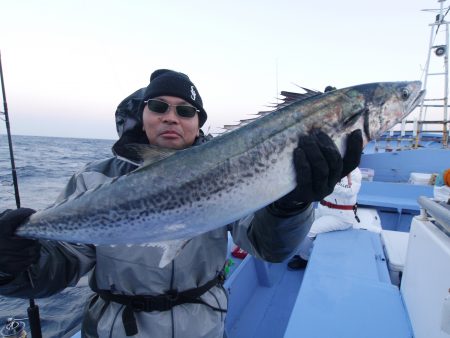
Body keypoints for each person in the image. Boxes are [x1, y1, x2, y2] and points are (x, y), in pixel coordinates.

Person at [0, 69, 363, 338]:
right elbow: (60, 265)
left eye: (186, 111)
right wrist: (13, 265)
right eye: (159, 106)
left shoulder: (232, 167)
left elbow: (270, 248)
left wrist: (292, 204)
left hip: (202, 328)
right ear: (142, 115)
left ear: (198, 123)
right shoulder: (95, 179)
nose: (171, 117)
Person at [287, 167, 363, 270]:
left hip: (341, 216)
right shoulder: (330, 165)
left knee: (310, 231)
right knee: (300, 221)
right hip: (323, 209)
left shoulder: (354, 172)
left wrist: (326, 182)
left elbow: (349, 191)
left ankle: (304, 258)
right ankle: (301, 249)